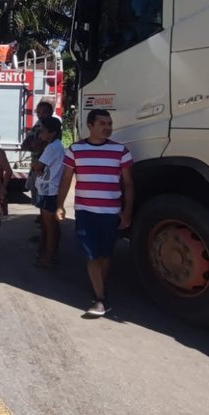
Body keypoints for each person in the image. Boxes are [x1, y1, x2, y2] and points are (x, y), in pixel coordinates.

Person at [57, 109, 134, 317]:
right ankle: (100, 298)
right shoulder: (75, 150)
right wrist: (60, 205)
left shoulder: (121, 151)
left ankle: (100, 285)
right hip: (85, 212)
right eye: (102, 123)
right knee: (91, 255)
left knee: (105, 255)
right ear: (90, 126)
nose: (107, 127)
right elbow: (66, 179)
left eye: (109, 124)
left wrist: (127, 212)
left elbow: (128, 184)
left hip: (110, 213)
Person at [32, 116, 65, 267]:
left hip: (48, 190)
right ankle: (51, 253)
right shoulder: (56, 146)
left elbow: (38, 166)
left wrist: (35, 165)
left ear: (52, 133)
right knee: (51, 225)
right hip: (50, 188)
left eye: (43, 131)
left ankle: (49, 257)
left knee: (49, 226)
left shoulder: (52, 147)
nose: (40, 134)